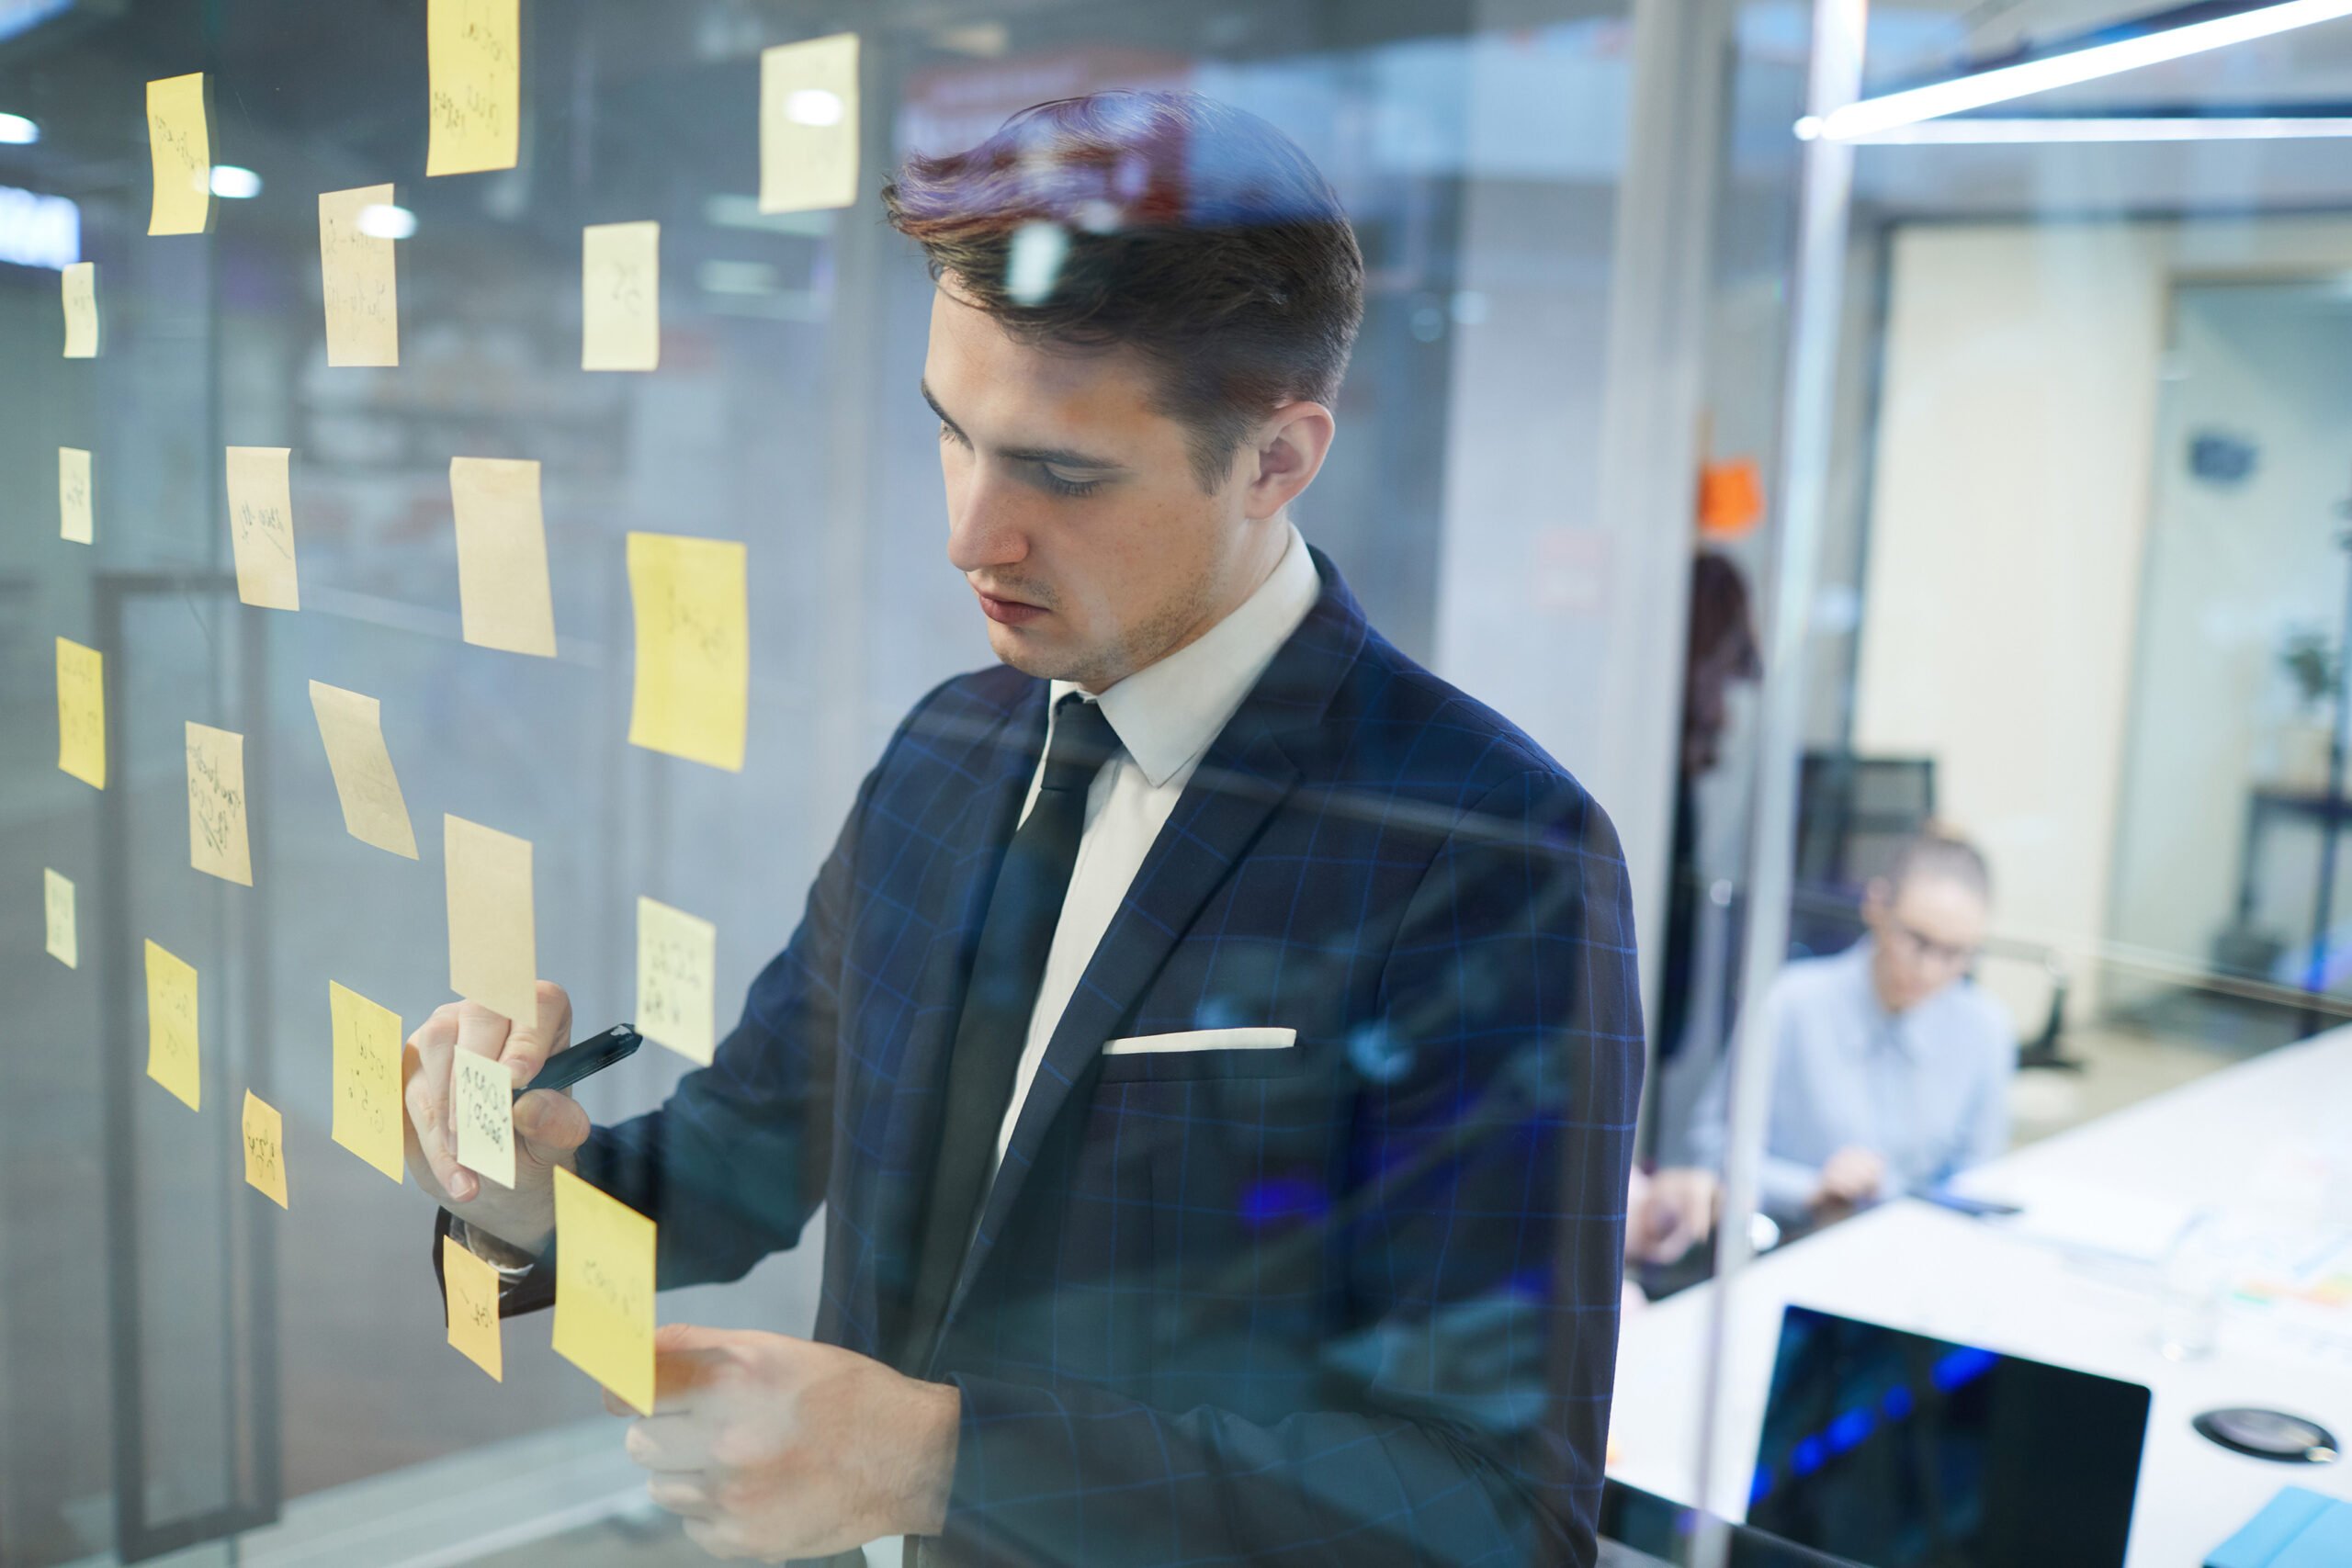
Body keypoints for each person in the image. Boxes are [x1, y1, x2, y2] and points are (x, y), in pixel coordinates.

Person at [402, 93, 1642, 1568]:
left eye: (1058, 473)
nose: (970, 534)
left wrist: (939, 1462)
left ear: (1275, 459)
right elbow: (746, 1149)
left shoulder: (1488, 849)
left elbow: (1500, 1507)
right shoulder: (952, 744)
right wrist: (533, 1195)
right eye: (951, 435)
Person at [1687, 830, 2015, 1224]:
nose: (1929, 970)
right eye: (1916, 940)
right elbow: (1712, 1147)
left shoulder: (1986, 1031)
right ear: (1876, 906)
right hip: (1797, 1239)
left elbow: (1977, 1183)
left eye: (1955, 953)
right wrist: (1809, 1188)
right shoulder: (1791, 1003)